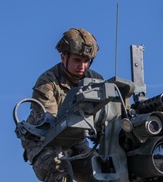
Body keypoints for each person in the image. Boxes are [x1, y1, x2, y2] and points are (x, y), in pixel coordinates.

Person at [21, 28, 103, 182]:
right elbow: (50, 124)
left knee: (102, 172)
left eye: (87, 61)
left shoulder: (95, 80)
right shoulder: (47, 82)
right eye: (77, 60)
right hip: (44, 143)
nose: (82, 66)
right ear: (63, 57)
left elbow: (110, 113)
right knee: (60, 174)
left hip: (77, 140)